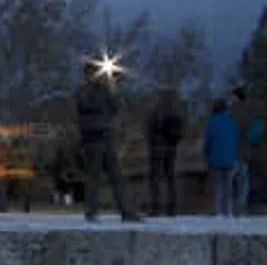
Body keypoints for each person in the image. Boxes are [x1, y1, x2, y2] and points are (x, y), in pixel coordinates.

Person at [75, 61, 139, 223]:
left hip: (106, 136)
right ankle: (92, 212)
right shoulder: (83, 91)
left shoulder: (104, 89)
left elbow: (116, 107)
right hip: (92, 138)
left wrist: (113, 86)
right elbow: (87, 104)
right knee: (93, 177)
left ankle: (127, 211)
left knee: (116, 176)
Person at [145, 89, 185, 217]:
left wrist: (151, 143)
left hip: (157, 149)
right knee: (170, 178)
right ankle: (172, 207)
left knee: (156, 178)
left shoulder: (156, 113)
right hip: (171, 149)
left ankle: (156, 207)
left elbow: (150, 131)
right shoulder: (176, 114)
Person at [203, 97, 238, 217]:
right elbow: (234, 140)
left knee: (218, 186)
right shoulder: (230, 121)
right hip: (229, 157)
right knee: (228, 186)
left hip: (216, 158)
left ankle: (218, 210)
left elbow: (208, 140)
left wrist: (206, 154)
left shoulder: (212, 122)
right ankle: (228, 210)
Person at [228, 87, 261, 216]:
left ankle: (228, 207)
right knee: (243, 181)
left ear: (236, 97)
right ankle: (241, 206)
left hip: (233, 151)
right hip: (246, 151)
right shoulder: (249, 112)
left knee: (229, 180)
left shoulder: (232, 113)